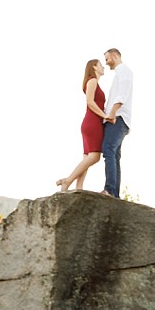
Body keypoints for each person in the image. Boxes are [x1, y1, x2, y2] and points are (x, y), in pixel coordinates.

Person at [56, 58, 107, 192]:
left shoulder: (94, 82)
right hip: (92, 122)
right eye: (101, 65)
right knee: (95, 156)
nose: (104, 67)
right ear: (94, 67)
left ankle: (78, 187)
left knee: (87, 157)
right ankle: (68, 180)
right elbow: (90, 102)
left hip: (92, 122)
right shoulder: (92, 80)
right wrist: (104, 115)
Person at [100, 48, 133, 199]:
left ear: (115, 56)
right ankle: (114, 193)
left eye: (107, 59)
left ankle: (110, 190)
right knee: (114, 154)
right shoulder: (120, 73)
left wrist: (112, 113)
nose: (106, 63)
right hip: (117, 118)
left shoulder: (124, 71)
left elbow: (122, 95)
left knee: (108, 150)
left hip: (118, 119)